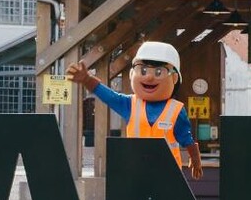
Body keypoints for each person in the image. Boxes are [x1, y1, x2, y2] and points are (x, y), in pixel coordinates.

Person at [66, 41, 203, 181]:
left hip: (167, 176)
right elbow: (109, 96)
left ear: (174, 78)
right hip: (136, 173)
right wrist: (87, 80)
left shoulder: (176, 110)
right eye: (143, 70)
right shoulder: (130, 104)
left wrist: (195, 157)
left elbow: (186, 138)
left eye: (158, 72)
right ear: (132, 74)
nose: (149, 77)